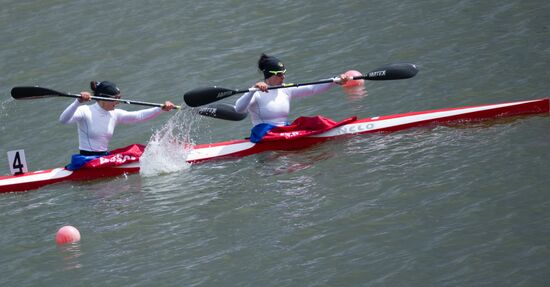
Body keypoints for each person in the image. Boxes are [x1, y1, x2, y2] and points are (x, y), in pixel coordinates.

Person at [59, 81, 175, 156]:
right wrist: (78, 101)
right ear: (103, 98)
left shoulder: (115, 114)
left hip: (103, 157)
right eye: (115, 99)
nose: (118, 102)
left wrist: (161, 108)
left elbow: (138, 116)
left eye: (119, 98)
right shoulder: (85, 111)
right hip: (86, 161)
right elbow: (63, 120)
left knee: (138, 151)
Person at [235, 53, 351, 127]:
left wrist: (335, 80)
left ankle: (339, 128)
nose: (283, 77)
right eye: (280, 74)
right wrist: (253, 90)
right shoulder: (256, 93)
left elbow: (312, 88)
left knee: (317, 121)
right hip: (264, 134)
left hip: (284, 130)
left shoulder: (286, 89)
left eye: (284, 74)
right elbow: (239, 109)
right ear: (269, 75)